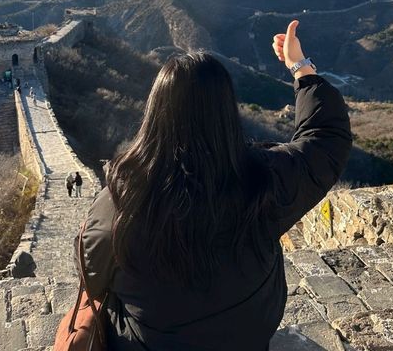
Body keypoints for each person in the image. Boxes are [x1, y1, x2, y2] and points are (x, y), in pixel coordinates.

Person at [78, 20, 352, 350]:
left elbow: (91, 276)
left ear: (155, 114)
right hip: (247, 334)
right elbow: (325, 141)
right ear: (226, 113)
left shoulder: (122, 202)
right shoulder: (263, 179)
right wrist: (301, 68)